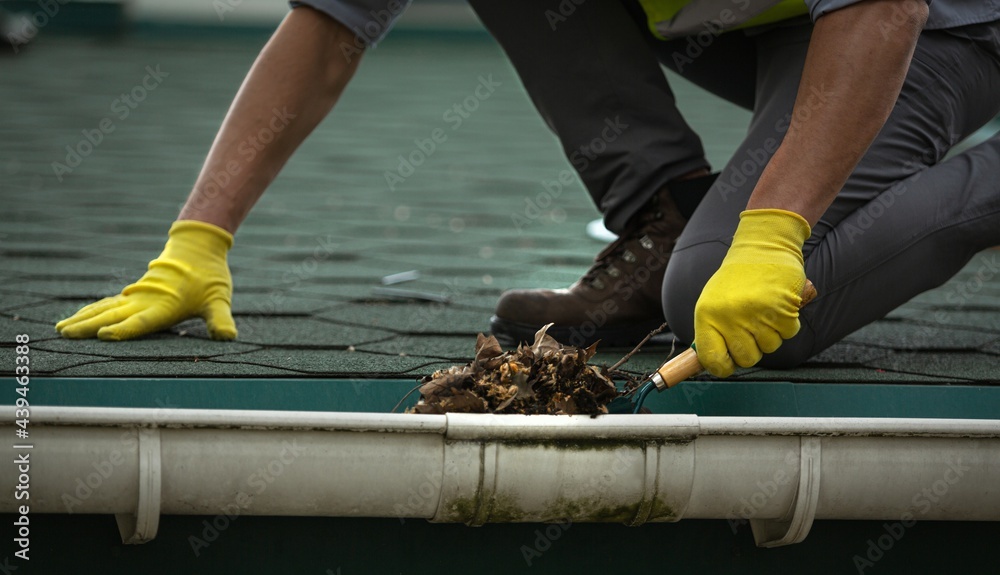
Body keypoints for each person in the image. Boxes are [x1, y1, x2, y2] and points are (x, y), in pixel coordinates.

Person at [57, 0, 1000, 379]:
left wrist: (773, 231)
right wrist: (197, 240)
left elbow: (886, 8)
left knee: (727, 302)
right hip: (751, 22)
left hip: (920, 33)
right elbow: (330, 24)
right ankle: (665, 213)